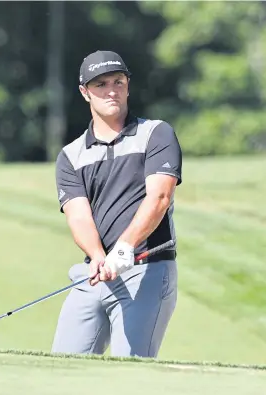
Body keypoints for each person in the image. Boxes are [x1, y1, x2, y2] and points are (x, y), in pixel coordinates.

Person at [51, 50, 182, 358]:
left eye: (118, 81)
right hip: (94, 274)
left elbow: (160, 196)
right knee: (62, 370)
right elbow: (78, 216)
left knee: (130, 375)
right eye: (100, 85)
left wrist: (123, 249)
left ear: (127, 86)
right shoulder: (71, 156)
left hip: (146, 271)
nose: (111, 90)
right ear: (85, 92)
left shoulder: (155, 134)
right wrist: (97, 255)